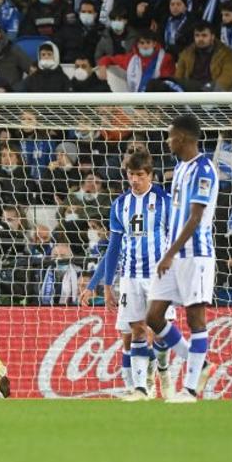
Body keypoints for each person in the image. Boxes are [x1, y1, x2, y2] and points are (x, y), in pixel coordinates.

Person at [82, 149, 173, 401]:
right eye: (131, 175)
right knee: (136, 332)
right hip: (131, 276)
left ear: (150, 175)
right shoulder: (120, 204)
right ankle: (141, 388)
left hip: (159, 277)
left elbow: (177, 238)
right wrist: (105, 285)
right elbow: (113, 247)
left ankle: (162, 369)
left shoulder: (164, 201)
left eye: (139, 175)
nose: (134, 180)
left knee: (161, 333)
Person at [143, 115, 218, 404]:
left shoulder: (204, 170)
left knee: (195, 319)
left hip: (195, 256)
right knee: (154, 316)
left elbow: (196, 218)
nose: (167, 140)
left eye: (170, 136)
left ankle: (189, 389)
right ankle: (203, 364)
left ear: (183, 138)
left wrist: (170, 254)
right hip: (173, 256)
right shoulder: (180, 168)